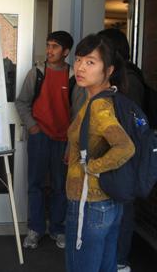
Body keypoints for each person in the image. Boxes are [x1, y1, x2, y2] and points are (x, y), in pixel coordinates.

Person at [65, 34, 135, 272]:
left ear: (109, 69)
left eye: (90, 62)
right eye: (78, 59)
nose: (80, 67)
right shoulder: (105, 99)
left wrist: (91, 168)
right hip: (107, 203)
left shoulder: (99, 108)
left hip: (90, 203)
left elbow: (125, 147)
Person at [15, 31, 74, 249]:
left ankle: (58, 229)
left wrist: (71, 142)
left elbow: (77, 113)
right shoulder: (37, 73)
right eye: (48, 45)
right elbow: (21, 102)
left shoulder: (74, 77)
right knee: (36, 184)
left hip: (62, 140)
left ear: (66, 52)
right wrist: (33, 127)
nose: (49, 50)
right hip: (40, 137)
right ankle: (35, 229)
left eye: (55, 47)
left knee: (61, 186)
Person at [97, 28, 146, 272]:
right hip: (116, 155)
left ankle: (120, 262)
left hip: (127, 156)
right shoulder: (117, 78)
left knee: (123, 208)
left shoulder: (130, 81)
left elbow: (130, 127)